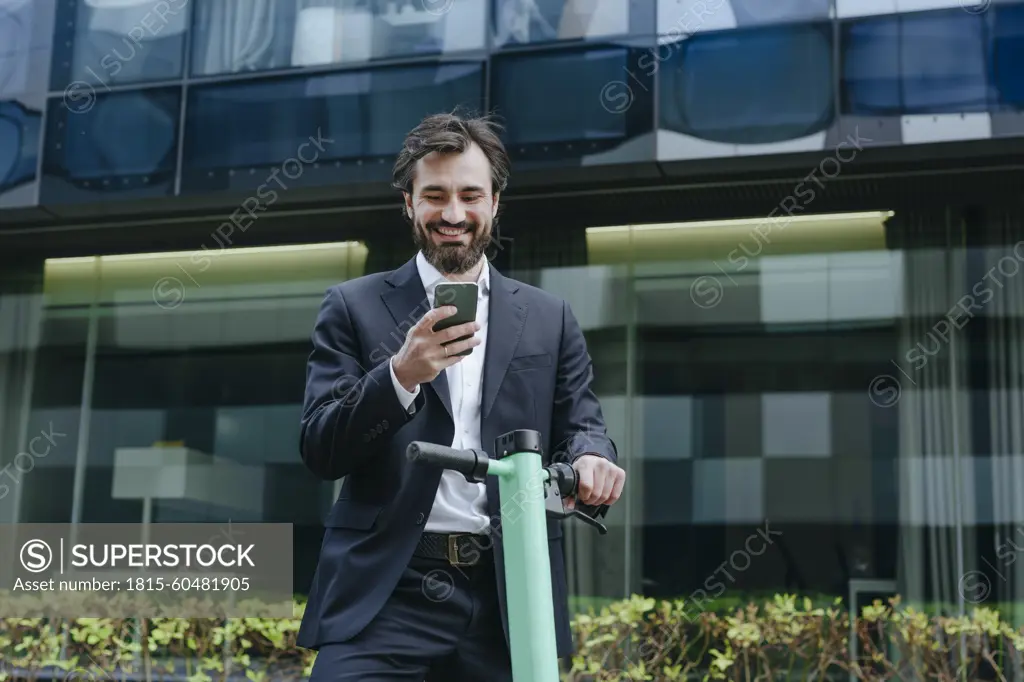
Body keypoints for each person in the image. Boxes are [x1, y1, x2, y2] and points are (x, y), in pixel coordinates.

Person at [297, 110, 626, 681]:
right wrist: (399, 374)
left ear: (495, 202)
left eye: (471, 195)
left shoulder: (550, 318)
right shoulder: (351, 306)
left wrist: (593, 458)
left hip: (507, 590)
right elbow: (321, 449)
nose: (453, 214)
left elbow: (582, 425)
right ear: (409, 203)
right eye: (435, 195)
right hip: (385, 591)